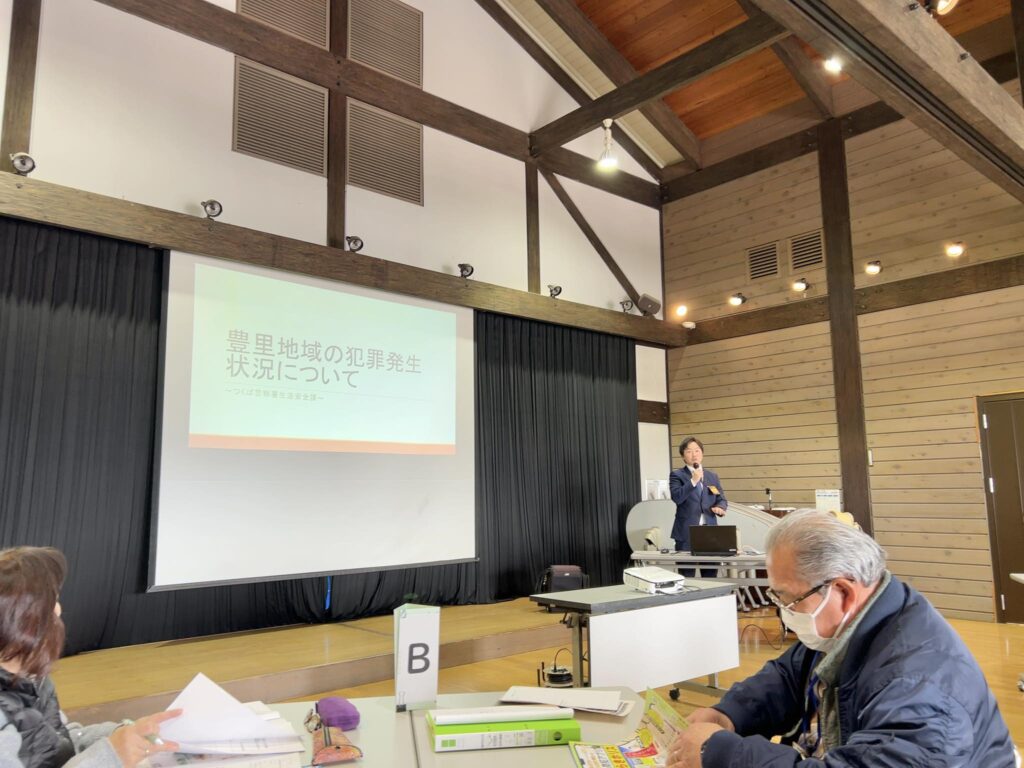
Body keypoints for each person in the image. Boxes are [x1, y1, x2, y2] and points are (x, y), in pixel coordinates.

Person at [666, 510, 1016, 768]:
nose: (783, 611)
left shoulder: (918, 686)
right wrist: (728, 714)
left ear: (843, 592)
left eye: (788, 599)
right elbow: (789, 676)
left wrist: (722, 754)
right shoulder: (860, 620)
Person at [0, 547, 182, 768]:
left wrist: (125, 734)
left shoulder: (32, 677)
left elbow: (60, 743)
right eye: (48, 607)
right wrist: (112, 754)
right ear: (18, 623)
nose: (58, 611)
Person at [669, 437, 727, 577]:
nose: (694, 454)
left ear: (702, 453)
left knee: (710, 576)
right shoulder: (677, 475)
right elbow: (677, 497)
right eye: (689, 451)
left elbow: (721, 498)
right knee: (686, 575)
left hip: (710, 532)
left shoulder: (712, 476)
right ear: (683, 456)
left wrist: (720, 507)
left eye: (697, 450)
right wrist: (693, 481)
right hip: (686, 532)